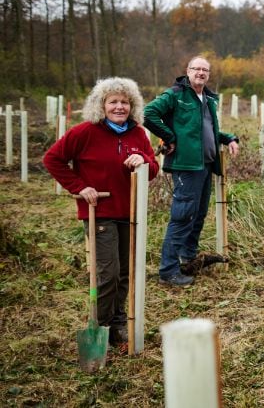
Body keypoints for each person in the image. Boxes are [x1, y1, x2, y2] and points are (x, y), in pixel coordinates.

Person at [44, 77, 159, 348]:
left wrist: (143, 161)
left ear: (132, 106)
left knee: (125, 273)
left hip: (129, 213)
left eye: (125, 102)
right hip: (100, 212)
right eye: (113, 102)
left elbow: (153, 169)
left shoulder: (138, 134)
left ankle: (118, 324)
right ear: (102, 104)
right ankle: (100, 328)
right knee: (108, 273)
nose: (119, 107)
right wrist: (80, 186)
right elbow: (52, 159)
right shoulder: (85, 132)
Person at [144, 56, 239, 287]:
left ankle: (188, 257)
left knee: (198, 215)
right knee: (183, 215)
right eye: (196, 68)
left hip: (205, 165)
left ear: (209, 74)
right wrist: (169, 136)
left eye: (205, 70)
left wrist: (229, 138)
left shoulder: (207, 98)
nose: (201, 73)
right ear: (187, 71)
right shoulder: (175, 94)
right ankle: (168, 270)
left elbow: (207, 130)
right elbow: (148, 114)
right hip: (186, 166)